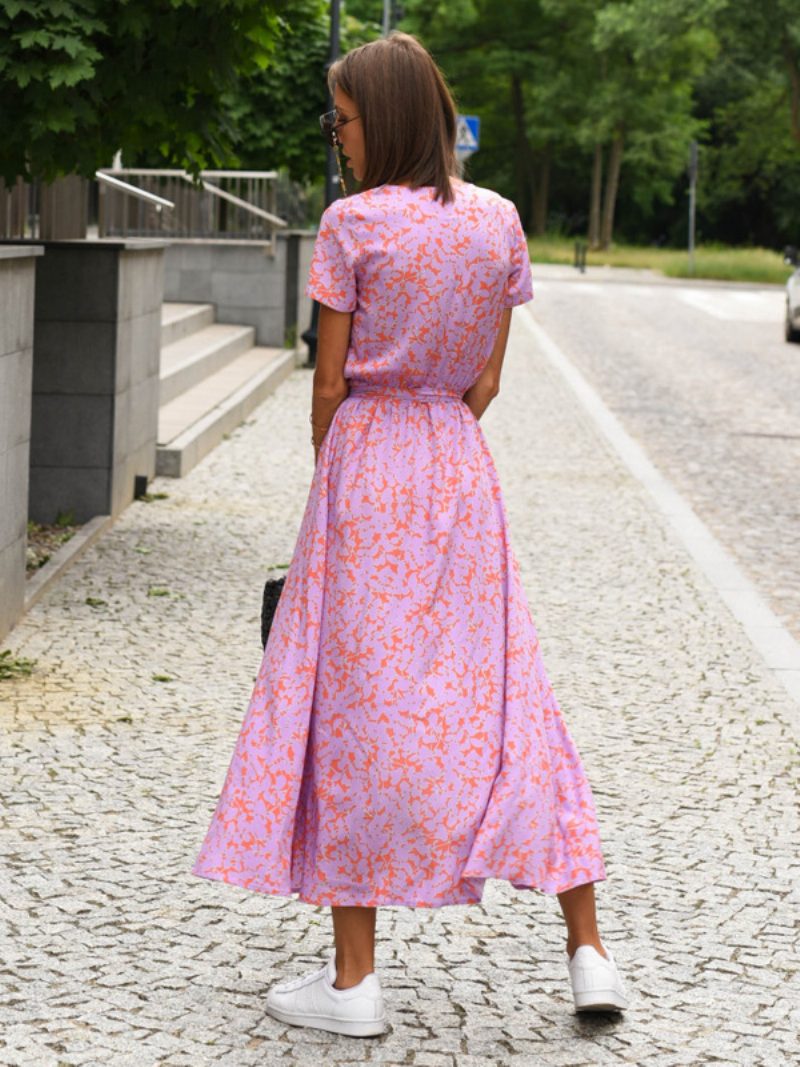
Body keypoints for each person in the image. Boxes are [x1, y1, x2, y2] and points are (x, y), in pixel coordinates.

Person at [190, 29, 628, 1038]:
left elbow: (332, 381)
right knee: (508, 695)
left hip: (368, 466)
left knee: (357, 709)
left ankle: (353, 981)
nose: (334, 136)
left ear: (375, 119)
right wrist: (435, 442)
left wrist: (335, 480)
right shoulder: (499, 222)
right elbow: (485, 379)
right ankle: (588, 950)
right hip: (456, 469)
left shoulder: (350, 226)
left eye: (339, 118)